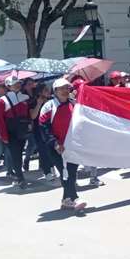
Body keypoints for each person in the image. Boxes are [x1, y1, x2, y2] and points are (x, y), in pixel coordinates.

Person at [38, 79, 87, 211]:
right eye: (61, 88)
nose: (65, 91)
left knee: (71, 173)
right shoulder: (49, 106)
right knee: (65, 172)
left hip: (71, 145)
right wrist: (55, 143)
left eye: (67, 88)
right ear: (55, 91)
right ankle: (75, 199)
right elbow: (44, 127)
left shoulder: (73, 104)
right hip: (56, 147)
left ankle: (66, 200)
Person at [0, 75, 31, 189]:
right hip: (10, 133)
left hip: (22, 130)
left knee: (20, 153)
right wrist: (4, 136)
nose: (17, 85)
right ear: (8, 86)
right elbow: (0, 120)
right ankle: (20, 178)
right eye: (14, 84)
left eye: (19, 83)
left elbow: (27, 115)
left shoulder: (25, 97)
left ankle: (18, 175)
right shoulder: (2, 101)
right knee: (16, 155)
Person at [25, 83, 57, 181]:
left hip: (51, 128)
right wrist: (39, 104)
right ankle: (47, 172)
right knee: (43, 150)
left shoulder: (52, 101)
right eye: (45, 90)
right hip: (39, 129)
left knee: (52, 149)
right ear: (40, 92)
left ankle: (52, 168)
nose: (48, 92)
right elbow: (33, 116)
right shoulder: (33, 102)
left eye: (48, 90)